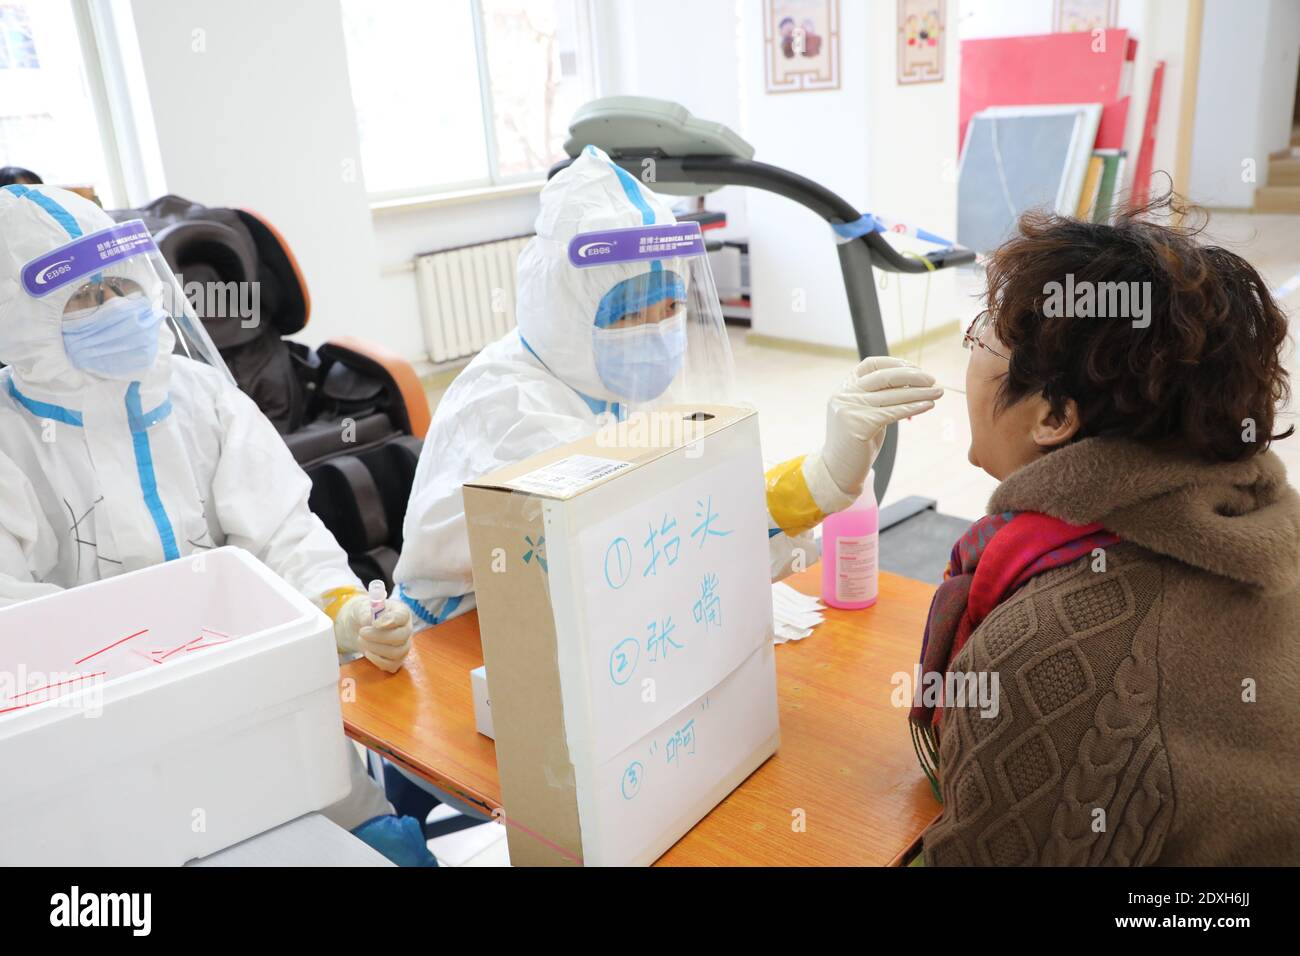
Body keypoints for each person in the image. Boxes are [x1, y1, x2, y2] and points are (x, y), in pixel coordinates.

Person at [0, 184, 429, 863]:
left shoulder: (199, 398)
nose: (113, 306)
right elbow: (15, 629)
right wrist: (144, 688)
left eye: (119, 284)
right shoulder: (9, 446)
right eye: (80, 297)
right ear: (21, 318)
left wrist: (343, 608)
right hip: (106, 761)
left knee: (382, 849)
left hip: (264, 719)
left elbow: (284, 532)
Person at [394, 144, 944, 630]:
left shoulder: (611, 380)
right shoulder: (512, 410)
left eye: (672, 305)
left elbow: (686, 508)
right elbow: (647, 544)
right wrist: (818, 482)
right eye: (634, 311)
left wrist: (823, 480)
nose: (658, 331)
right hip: (466, 639)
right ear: (566, 308)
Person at [918, 197, 1300, 865]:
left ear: (1055, 416)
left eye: (988, 334)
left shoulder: (1048, 643)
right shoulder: (1267, 519)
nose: (972, 352)